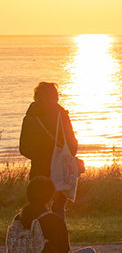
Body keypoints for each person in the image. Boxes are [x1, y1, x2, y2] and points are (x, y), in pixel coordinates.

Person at [19, 82, 79, 218]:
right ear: (55, 97)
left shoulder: (29, 118)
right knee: (58, 209)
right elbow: (73, 147)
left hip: (38, 171)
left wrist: (40, 156)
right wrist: (58, 154)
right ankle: (58, 237)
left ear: (36, 97)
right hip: (61, 172)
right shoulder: (62, 116)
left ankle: (39, 237)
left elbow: (23, 149)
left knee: (38, 210)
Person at [6, 176, 95, 253]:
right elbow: (64, 250)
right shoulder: (55, 221)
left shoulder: (18, 218)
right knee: (89, 251)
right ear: (50, 197)